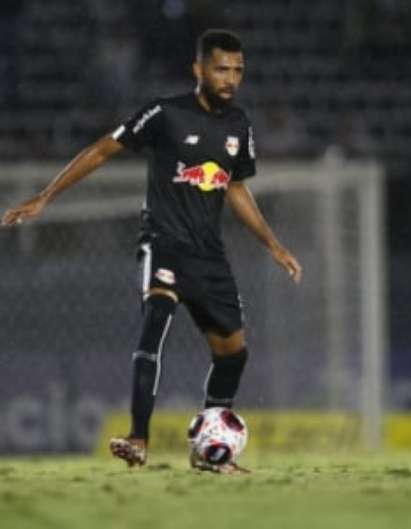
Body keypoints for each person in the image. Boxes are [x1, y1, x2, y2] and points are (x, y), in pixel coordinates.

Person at [1, 29, 303, 473]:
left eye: (238, 70)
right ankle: (138, 436)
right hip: (164, 244)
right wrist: (46, 197)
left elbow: (235, 188)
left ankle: (208, 455)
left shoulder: (239, 125)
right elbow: (104, 149)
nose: (231, 79)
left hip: (209, 256)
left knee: (233, 353)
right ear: (198, 70)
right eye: (221, 69)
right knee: (155, 323)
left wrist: (273, 244)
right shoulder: (165, 114)